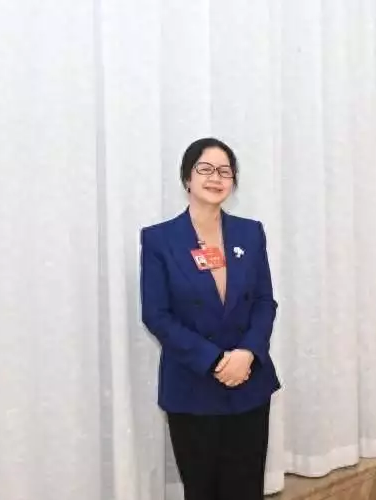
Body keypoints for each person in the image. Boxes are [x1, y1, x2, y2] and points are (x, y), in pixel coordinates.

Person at [139, 137, 281, 500]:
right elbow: (156, 315)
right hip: (193, 384)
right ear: (187, 177)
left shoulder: (250, 233)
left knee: (246, 487)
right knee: (202, 489)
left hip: (248, 381)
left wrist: (246, 354)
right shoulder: (159, 240)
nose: (215, 177)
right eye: (205, 169)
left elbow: (264, 301)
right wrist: (215, 361)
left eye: (224, 171)